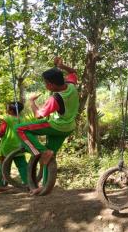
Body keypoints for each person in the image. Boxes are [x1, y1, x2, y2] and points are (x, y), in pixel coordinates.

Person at [15, 57, 78, 195]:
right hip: (68, 128)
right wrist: (62, 66)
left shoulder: (55, 98)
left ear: (51, 84)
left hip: (57, 126)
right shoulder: (71, 86)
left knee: (19, 129)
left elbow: (38, 115)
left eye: (45, 83)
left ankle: (40, 151)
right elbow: (74, 73)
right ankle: (43, 187)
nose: (45, 85)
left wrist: (31, 102)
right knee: (49, 157)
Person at [0, 102, 27, 186]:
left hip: (7, 146)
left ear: (11, 110)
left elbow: (2, 132)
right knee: (22, 166)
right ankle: (27, 181)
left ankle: (3, 182)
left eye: (7, 108)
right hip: (20, 145)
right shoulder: (22, 119)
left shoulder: (6, 119)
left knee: (4, 165)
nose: (6, 110)